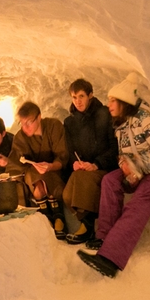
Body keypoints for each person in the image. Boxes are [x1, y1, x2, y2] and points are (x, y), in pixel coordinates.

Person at [77, 78, 150, 278]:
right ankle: (104, 237)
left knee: (137, 204)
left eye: (112, 101)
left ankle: (110, 258)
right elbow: (123, 156)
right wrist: (128, 171)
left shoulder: (146, 120)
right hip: (142, 169)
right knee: (109, 180)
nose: (108, 105)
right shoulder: (121, 126)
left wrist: (136, 166)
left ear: (123, 102)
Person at [62, 79, 118, 245]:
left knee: (82, 179)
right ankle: (87, 223)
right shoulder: (69, 122)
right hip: (83, 168)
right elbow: (70, 150)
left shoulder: (104, 115)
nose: (78, 101)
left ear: (90, 96)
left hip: (103, 166)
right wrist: (75, 163)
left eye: (81, 96)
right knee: (66, 194)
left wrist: (96, 164)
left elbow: (114, 148)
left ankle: (86, 228)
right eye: (74, 97)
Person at [7, 101, 69, 239]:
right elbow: (17, 161)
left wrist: (51, 166)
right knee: (37, 180)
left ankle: (57, 217)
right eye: (22, 123)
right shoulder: (20, 137)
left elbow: (63, 157)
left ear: (39, 117)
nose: (25, 128)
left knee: (46, 177)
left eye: (28, 122)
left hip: (56, 172)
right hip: (33, 176)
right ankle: (50, 218)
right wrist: (7, 161)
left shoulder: (54, 126)